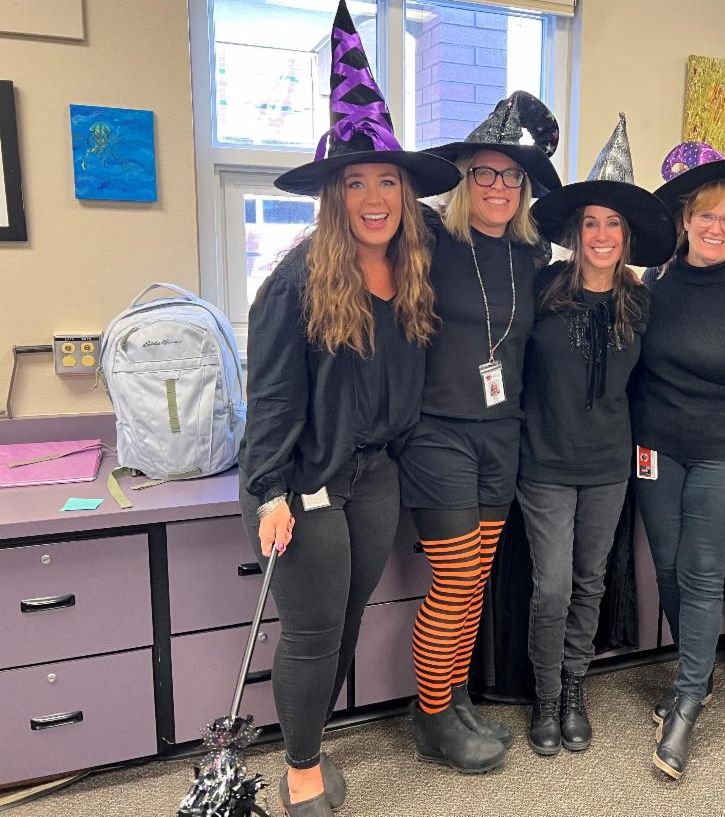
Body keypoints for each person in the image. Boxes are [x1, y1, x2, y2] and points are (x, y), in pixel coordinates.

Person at [239, 5, 460, 814]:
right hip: (301, 478)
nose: (374, 196)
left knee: (345, 617)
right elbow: (268, 400)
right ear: (334, 196)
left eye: (387, 181)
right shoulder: (295, 282)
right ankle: (300, 770)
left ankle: (309, 740)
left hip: (376, 477)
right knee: (311, 628)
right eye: (356, 181)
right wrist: (268, 489)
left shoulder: (412, 275)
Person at [397, 91, 561, 773]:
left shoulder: (531, 253)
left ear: (524, 186)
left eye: (511, 175)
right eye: (484, 174)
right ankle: (432, 717)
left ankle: (453, 695)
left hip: (503, 434)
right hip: (438, 433)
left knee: (477, 578)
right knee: (457, 575)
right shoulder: (430, 238)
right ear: (463, 179)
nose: (498, 186)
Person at [520, 114, 676, 756]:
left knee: (590, 581)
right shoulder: (542, 290)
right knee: (552, 585)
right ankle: (546, 696)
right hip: (544, 463)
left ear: (627, 235)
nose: (603, 234)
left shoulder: (642, 303)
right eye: (592, 222)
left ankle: (575, 684)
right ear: (576, 232)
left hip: (609, 465)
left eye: (614, 223)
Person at [634, 142, 725, 779]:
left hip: (723, 456)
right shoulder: (654, 284)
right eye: (706, 216)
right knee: (668, 569)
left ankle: (689, 699)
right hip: (654, 451)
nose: (717, 228)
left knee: (700, 572)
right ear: (684, 221)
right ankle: (696, 673)